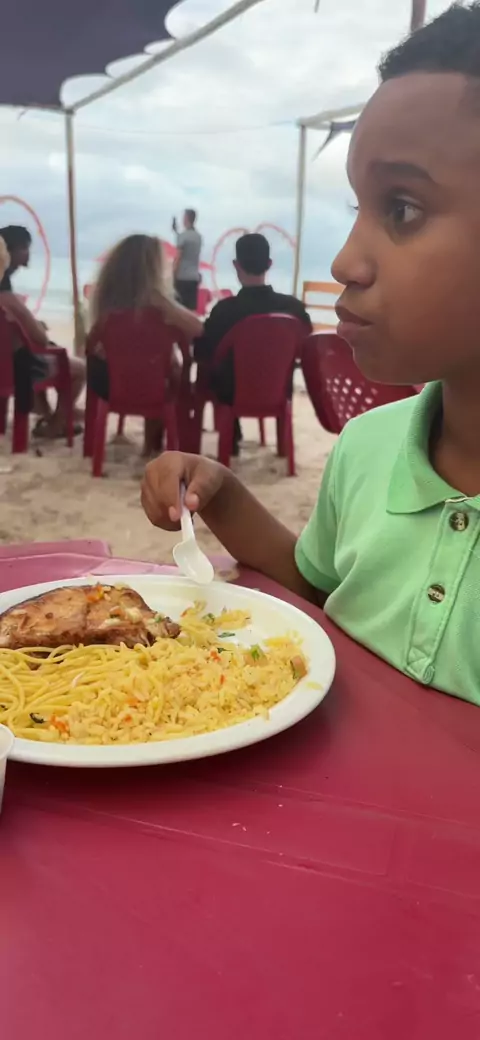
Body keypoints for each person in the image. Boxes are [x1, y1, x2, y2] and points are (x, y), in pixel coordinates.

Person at [142, 3, 480, 706]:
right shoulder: (366, 445)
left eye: (403, 209)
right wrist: (225, 497)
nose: (345, 261)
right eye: (358, 207)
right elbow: (324, 594)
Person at [194, 232, 312, 452]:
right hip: (278, 390)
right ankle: (281, 447)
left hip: (231, 392)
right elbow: (306, 348)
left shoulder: (224, 311)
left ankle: (230, 435)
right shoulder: (293, 309)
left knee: (216, 370)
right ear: (269, 264)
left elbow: (201, 352)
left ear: (236, 265)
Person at [88, 233, 203, 455]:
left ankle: (150, 442)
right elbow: (198, 329)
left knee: (157, 363)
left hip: (106, 381)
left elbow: (92, 344)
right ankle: (153, 443)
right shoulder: (157, 306)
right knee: (167, 368)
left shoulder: (106, 300)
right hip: (151, 383)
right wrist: (165, 304)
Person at [0, 225, 85, 437]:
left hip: (9, 364)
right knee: (79, 368)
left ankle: (49, 414)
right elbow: (40, 338)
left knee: (32, 355)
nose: (28, 254)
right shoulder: (7, 298)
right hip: (14, 371)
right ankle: (56, 423)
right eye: (25, 248)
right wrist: (34, 326)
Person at [172, 209, 202, 312]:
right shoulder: (198, 237)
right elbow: (189, 246)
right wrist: (176, 232)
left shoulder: (183, 236)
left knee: (178, 310)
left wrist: (173, 274)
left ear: (186, 218)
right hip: (193, 278)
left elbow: (179, 257)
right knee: (190, 311)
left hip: (182, 277)